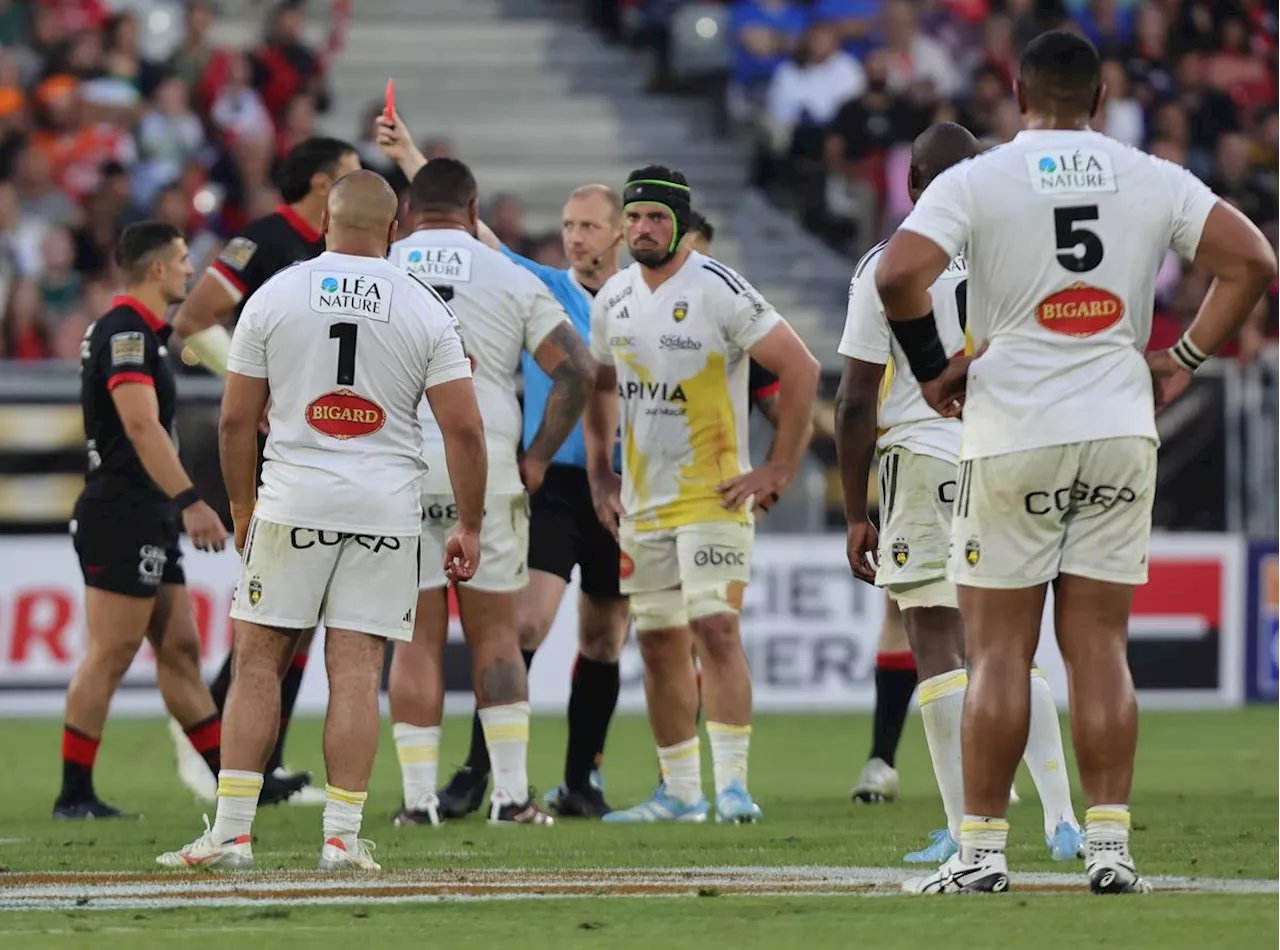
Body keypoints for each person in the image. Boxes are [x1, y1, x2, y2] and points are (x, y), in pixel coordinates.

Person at [875, 31, 1276, 894]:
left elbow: (899, 275)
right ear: (1100, 100)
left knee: (996, 653)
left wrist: (931, 365)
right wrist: (1187, 357)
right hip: (1119, 425)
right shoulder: (1149, 174)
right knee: (1098, 646)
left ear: (1017, 96)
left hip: (1015, 429)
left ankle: (980, 852)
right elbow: (1252, 262)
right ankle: (1109, 849)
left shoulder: (976, 178)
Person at [157, 170, 484, 871]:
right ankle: (340, 839)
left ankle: (231, 834)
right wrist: (472, 525)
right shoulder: (424, 306)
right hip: (385, 512)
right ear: (393, 230)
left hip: (292, 502)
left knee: (256, 668)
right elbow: (464, 431)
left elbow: (237, 419)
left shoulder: (276, 293)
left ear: (326, 223)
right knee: (358, 675)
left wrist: (242, 508)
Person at [838, 122, 1084, 866]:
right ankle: (1064, 817)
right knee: (1008, 646)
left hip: (925, 459)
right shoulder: (1024, 258)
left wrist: (855, 511)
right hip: (1014, 460)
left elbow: (853, 400)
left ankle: (963, 830)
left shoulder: (888, 265)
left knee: (938, 647)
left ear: (912, 184)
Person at [585, 165, 820, 824]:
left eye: (656, 218)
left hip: (713, 495)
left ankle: (735, 787)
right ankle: (681, 793)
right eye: (633, 218)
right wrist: (601, 473)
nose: (642, 229)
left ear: (681, 223)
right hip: (642, 501)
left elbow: (800, 367)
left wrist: (778, 467)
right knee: (658, 642)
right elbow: (601, 386)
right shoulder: (614, 298)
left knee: (715, 627)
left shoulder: (719, 288)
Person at [386, 157, 594, 827]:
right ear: (473, 210)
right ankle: (510, 797)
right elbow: (577, 372)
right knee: (497, 637)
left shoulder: (383, 269)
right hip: (486, 463)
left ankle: (418, 803)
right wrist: (536, 456)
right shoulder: (506, 275)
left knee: (414, 638)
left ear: (410, 211)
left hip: (398, 466)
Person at [168, 136, 362, 807]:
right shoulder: (268, 240)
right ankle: (214, 746)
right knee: (276, 609)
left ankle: (262, 762)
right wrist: (259, 387)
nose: (360, 185)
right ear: (318, 183)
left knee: (300, 611)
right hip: (270, 450)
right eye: (349, 175)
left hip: (324, 447)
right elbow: (192, 320)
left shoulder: (348, 253)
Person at [58, 221, 230, 819]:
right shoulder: (125, 333)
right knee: (112, 650)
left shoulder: (145, 333)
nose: (190, 269)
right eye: (183, 260)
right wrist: (191, 501)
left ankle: (233, 786)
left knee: (179, 647)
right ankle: (74, 794)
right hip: (123, 510)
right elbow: (139, 425)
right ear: (156, 269)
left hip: (148, 510)